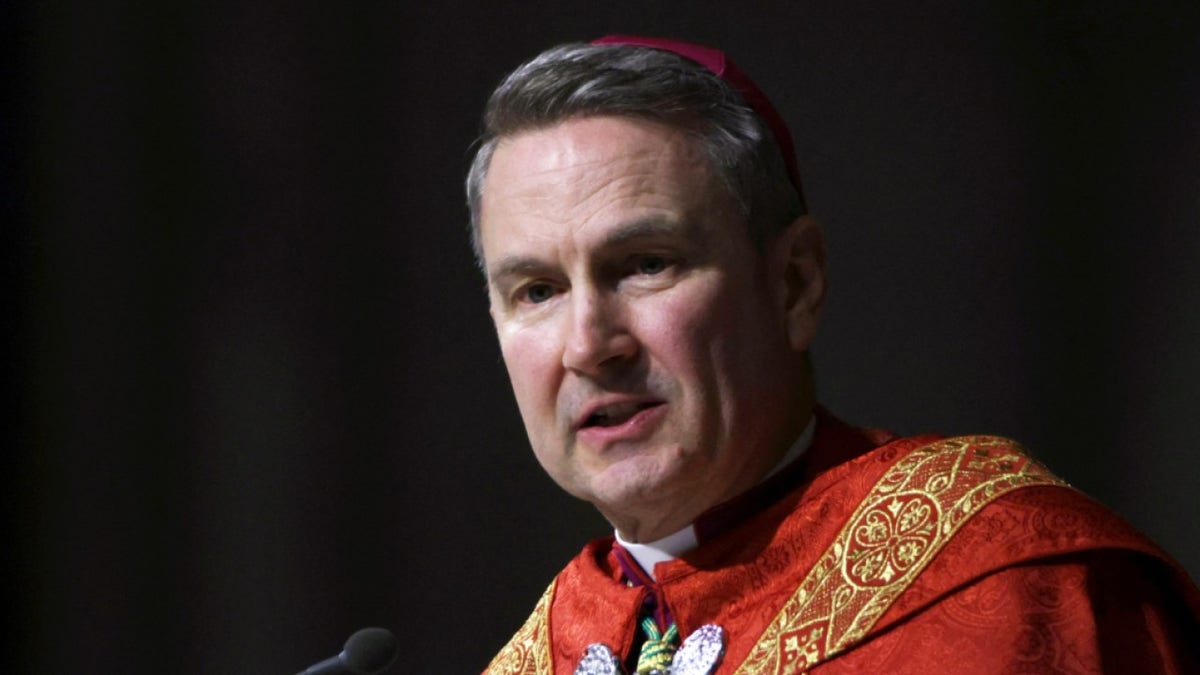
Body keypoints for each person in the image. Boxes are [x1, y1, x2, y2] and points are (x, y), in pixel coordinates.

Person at [466, 35, 1200, 674]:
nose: (591, 344)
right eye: (537, 291)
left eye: (646, 262)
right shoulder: (535, 657)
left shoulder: (1017, 581)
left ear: (794, 284)